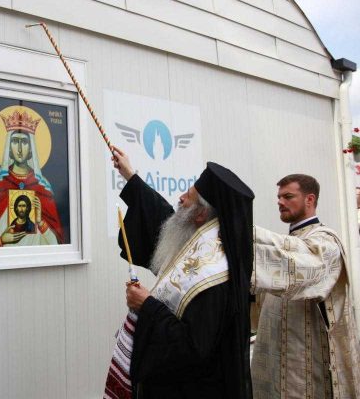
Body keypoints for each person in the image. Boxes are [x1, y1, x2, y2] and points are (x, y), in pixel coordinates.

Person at [104, 147, 253, 399]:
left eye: (189, 196)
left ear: (201, 214)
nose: (180, 198)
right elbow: (161, 216)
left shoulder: (213, 273)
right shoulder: (199, 241)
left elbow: (192, 346)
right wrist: (131, 176)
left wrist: (147, 304)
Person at [251, 174, 360, 399]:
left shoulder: (326, 241)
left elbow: (298, 270)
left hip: (306, 362)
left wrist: (243, 232)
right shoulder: (290, 243)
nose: (280, 202)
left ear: (310, 199)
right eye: (279, 197)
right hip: (276, 358)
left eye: (288, 196)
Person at [0, 110, 63, 247]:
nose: (20, 149)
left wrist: (40, 222)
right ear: (9, 148)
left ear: (31, 150)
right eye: (15, 142)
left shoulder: (42, 187)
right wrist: (1, 240)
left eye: (24, 142)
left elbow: (57, 246)